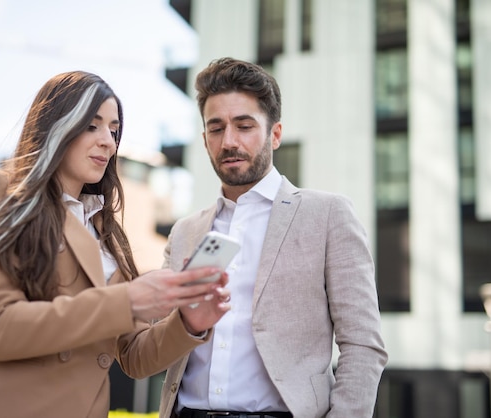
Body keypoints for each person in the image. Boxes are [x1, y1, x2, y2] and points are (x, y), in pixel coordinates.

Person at [0, 70, 231, 418]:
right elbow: (1, 328)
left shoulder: (108, 234)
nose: (109, 142)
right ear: (56, 124)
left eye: (113, 131)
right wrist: (127, 300)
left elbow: (134, 357)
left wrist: (188, 322)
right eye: (92, 125)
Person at [158, 58, 388, 418]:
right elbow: (160, 342)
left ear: (275, 134)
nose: (229, 141)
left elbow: (363, 344)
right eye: (215, 129)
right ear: (204, 140)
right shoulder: (185, 232)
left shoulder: (328, 216)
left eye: (244, 126)